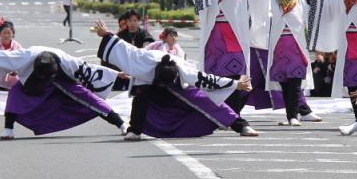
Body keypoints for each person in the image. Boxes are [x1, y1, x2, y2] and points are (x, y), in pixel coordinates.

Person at [166, 0, 292, 115]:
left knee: (237, 76)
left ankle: (232, 114)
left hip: (236, 38)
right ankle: (218, 112)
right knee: (214, 77)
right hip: (214, 37)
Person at [95, 21, 259, 139]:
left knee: (206, 99)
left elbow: (207, 79)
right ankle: (135, 130)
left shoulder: (183, 68)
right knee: (140, 99)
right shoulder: (145, 60)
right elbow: (126, 49)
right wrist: (107, 35)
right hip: (150, 86)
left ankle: (241, 125)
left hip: (179, 85)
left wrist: (236, 84)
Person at [0, 45, 128, 139]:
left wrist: (115, 74)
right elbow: (1, 56)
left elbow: (90, 68)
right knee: (16, 92)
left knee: (89, 98)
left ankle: (121, 124)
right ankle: (8, 129)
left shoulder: (67, 61)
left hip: (61, 79)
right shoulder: (25, 56)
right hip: (33, 81)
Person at [259, 0, 322, 126]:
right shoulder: (272, 3)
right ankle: (292, 115)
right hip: (279, 51)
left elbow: (319, 2)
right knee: (285, 84)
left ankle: (293, 116)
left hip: (297, 51)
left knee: (295, 83)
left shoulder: (302, 3)